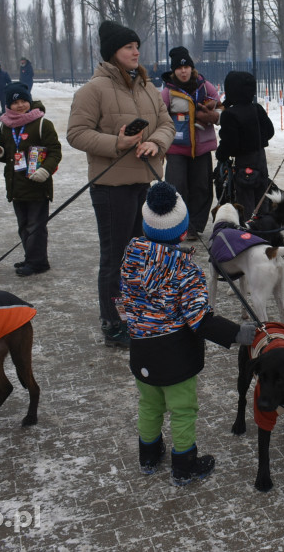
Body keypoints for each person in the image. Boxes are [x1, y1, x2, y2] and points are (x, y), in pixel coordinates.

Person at [121, 181, 254, 483]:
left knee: (149, 405)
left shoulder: (131, 255)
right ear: (182, 232)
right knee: (182, 410)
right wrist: (237, 333)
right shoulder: (186, 270)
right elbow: (199, 319)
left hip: (141, 349)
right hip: (176, 355)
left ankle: (148, 455)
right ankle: (184, 465)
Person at [67, 20, 175, 348]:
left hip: (145, 183)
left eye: (137, 46)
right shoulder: (93, 90)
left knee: (141, 257)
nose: (136, 52)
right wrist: (118, 143)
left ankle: (137, 313)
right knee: (115, 260)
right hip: (111, 188)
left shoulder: (147, 87)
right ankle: (114, 321)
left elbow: (167, 123)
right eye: (129, 47)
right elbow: (76, 133)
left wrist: (155, 142)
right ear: (113, 52)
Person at [0, 81, 62, 277]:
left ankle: (38, 262)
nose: (20, 105)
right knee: (23, 225)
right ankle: (31, 257)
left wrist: (46, 170)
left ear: (29, 101)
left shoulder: (42, 124)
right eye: (15, 103)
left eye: (23, 101)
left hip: (37, 184)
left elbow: (55, 151)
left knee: (36, 226)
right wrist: (0, 153)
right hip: (16, 185)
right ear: (8, 105)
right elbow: (7, 153)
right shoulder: (6, 126)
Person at [160, 46, 221, 240]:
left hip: (201, 147)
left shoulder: (205, 86)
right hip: (176, 147)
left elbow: (220, 106)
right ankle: (177, 225)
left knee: (201, 187)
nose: (183, 71)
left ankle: (194, 227)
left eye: (186, 67)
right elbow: (159, 117)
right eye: (179, 68)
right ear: (174, 71)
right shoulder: (168, 92)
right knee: (176, 187)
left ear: (191, 68)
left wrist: (212, 114)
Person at [214, 71, 275, 223]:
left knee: (245, 199)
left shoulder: (230, 114)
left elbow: (229, 142)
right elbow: (270, 131)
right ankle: (264, 227)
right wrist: (258, 141)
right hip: (260, 159)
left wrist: (221, 155)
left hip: (243, 161)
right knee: (262, 195)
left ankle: (247, 228)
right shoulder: (257, 108)